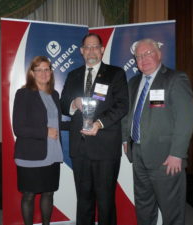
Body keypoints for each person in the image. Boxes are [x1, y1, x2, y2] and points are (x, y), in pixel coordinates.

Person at [122, 38, 193, 225]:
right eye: (139, 56)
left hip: (166, 158)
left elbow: (186, 119)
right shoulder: (133, 82)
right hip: (138, 155)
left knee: (172, 210)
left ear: (159, 54)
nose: (143, 59)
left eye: (147, 53)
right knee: (144, 206)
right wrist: (125, 139)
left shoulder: (175, 79)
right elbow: (127, 114)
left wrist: (177, 154)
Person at [60, 33, 129, 225]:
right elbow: (63, 104)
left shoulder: (116, 73)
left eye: (95, 47)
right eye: (87, 47)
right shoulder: (73, 75)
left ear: (102, 49)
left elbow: (122, 105)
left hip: (105, 148)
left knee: (106, 201)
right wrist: (73, 103)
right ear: (82, 51)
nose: (91, 51)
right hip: (80, 148)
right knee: (83, 200)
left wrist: (99, 123)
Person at [12, 56, 63, 225]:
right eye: (39, 69)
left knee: (49, 193)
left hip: (53, 152)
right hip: (30, 154)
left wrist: (83, 123)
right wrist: (45, 132)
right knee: (29, 195)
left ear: (51, 72)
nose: (43, 73)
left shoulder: (54, 94)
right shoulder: (23, 93)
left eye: (47, 69)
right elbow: (18, 128)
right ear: (32, 73)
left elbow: (57, 123)